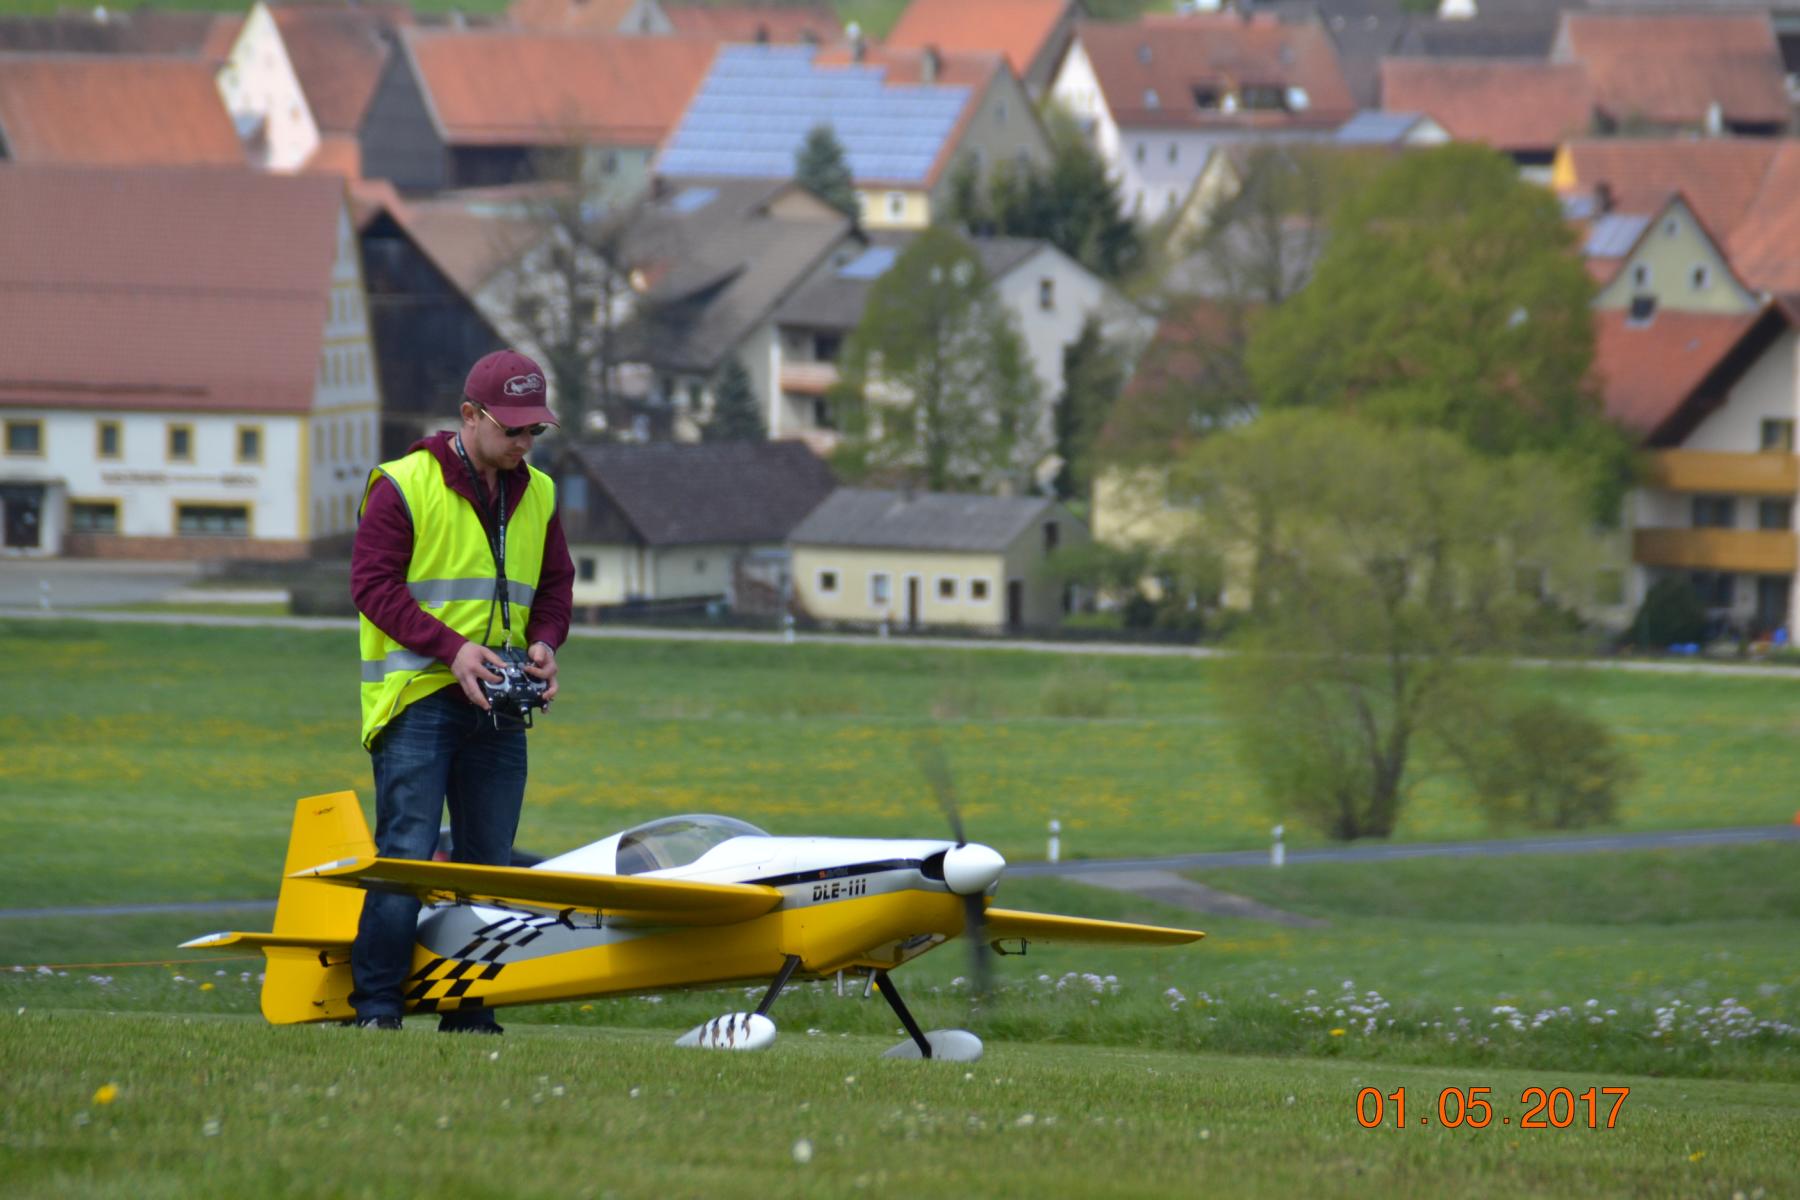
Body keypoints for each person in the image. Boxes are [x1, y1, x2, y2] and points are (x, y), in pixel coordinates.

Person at [347, 349, 575, 1033]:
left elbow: (556, 586)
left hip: (502, 705)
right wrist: (452, 650)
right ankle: (377, 1009)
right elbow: (371, 587)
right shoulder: (402, 484)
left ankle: (469, 1013)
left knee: (489, 869)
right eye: (512, 429)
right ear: (469, 416)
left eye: (534, 430)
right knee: (406, 857)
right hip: (418, 698)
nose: (524, 442)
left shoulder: (540, 492)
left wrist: (545, 644)